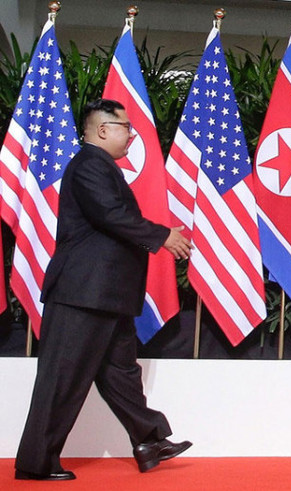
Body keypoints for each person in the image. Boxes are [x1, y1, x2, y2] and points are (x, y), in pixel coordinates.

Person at [15, 99, 193, 481]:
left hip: (107, 295)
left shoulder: (101, 166)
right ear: (101, 130)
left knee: (121, 374)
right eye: (125, 127)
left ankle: (149, 442)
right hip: (82, 294)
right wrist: (162, 236)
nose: (131, 135)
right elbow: (111, 215)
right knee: (62, 378)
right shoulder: (89, 165)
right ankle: (36, 463)